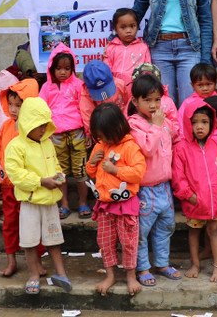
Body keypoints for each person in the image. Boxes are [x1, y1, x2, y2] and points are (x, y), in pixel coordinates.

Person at [3, 97, 72, 295]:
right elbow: (16, 175)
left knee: (54, 240)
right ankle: (33, 275)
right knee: (30, 241)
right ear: (27, 123)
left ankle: (61, 274)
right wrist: (41, 181)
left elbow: (56, 165)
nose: (43, 129)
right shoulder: (16, 146)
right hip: (30, 202)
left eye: (45, 125)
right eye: (39, 125)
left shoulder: (47, 143)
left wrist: (60, 176)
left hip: (50, 202)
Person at [87, 102, 147, 296]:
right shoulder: (100, 145)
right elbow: (92, 172)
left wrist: (116, 170)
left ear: (116, 129)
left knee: (129, 242)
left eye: (103, 135)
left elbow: (138, 173)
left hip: (125, 204)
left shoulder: (130, 147)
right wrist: (91, 163)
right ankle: (110, 274)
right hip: (104, 204)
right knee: (105, 242)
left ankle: (131, 275)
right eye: (98, 136)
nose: (100, 139)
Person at [126, 74, 179, 286]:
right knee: (141, 232)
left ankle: (162, 263)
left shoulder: (163, 121)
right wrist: (157, 126)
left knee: (165, 228)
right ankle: (143, 268)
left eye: (157, 99)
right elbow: (147, 149)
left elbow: (175, 138)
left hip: (165, 187)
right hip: (145, 190)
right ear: (135, 102)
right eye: (147, 100)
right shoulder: (134, 124)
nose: (153, 104)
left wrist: (164, 124)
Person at [173, 99, 217, 282]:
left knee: (214, 231)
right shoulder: (181, 148)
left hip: (214, 201)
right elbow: (178, 177)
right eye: (194, 122)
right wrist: (190, 196)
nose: (199, 127)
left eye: (204, 122)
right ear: (187, 124)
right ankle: (195, 264)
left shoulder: (216, 146)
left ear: (212, 123)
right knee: (194, 233)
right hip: (194, 202)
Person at [0, 78, 42, 277]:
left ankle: (36, 262)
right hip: (8, 185)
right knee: (10, 223)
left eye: (18, 105)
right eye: (10, 104)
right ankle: (11, 260)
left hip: (29, 187)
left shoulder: (34, 131)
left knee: (32, 224)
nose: (13, 109)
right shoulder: (5, 128)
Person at [38, 43, 88, 219]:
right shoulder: (46, 88)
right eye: (58, 68)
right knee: (61, 172)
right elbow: (42, 111)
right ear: (51, 68)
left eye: (67, 68)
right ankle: (64, 204)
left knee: (81, 170)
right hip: (56, 136)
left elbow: (85, 108)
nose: (63, 72)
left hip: (77, 134)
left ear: (73, 68)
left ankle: (83, 203)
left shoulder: (78, 85)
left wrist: (89, 132)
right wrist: (45, 135)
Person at [79, 60, 128, 142]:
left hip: (123, 131)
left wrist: (124, 128)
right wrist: (100, 138)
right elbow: (89, 119)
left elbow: (128, 107)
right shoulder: (86, 94)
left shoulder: (120, 85)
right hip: (103, 137)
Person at [103, 8, 151, 86]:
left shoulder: (143, 47)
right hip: (116, 89)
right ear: (115, 29)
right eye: (123, 27)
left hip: (137, 89)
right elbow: (106, 70)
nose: (128, 30)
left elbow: (148, 70)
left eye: (132, 26)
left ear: (137, 26)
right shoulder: (111, 48)